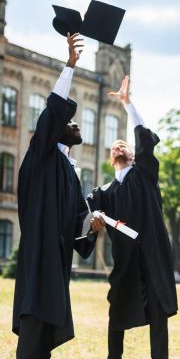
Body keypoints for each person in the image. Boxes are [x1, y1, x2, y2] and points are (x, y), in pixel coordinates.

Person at [13, 33, 104, 359]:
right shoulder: (42, 156)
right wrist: (69, 65)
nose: (75, 124)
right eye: (70, 122)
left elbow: (78, 218)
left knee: (47, 328)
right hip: (40, 257)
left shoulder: (68, 168)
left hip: (56, 259)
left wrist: (91, 223)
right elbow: (52, 112)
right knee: (35, 324)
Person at [87, 75, 177, 359]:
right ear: (110, 157)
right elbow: (83, 215)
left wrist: (128, 104)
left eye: (124, 144)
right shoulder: (104, 192)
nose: (118, 145)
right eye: (114, 145)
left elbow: (144, 139)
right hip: (125, 260)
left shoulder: (145, 175)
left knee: (158, 313)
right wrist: (92, 223)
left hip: (151, 254)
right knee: (117, 312)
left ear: (134, 155)